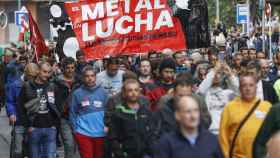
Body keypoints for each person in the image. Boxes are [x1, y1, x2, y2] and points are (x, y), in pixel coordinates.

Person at [219, 73, 272, 158]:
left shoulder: (267, 107)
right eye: (244, 85)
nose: (248, 88)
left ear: (256, 87)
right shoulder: (229, 108)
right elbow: (223, 137)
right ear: (240, 88)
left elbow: (273, 135)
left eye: (251, 85)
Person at [154, 96, 223, 158]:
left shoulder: (212, 140)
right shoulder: (166, 143)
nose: (193, 116)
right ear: (177, 115)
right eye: (188, 112)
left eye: (196, 111)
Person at [18, 62, 60, 158]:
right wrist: (28, 125)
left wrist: (55, 125)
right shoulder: (27, 86)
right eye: (44, 71)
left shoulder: (52, 86)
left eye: (49, 72)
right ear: (38, 71)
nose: (47, 74)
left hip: (50, 128)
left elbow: (58, 106)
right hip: (34, 128)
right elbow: (20, 107)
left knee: (50, 156)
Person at [108, 79, 156, 158]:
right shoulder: (118, 113)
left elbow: (152, 134)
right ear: (124, 93)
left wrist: (151, 152)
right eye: (130, 90)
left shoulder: (146, 111)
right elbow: (113, 138)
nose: (133, 93)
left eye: (136, 90)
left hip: (145, 155)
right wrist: (121, 154)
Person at [155, 72, 211, 138]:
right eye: (180, 96)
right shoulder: (164, 109)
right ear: (173, 93)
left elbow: (206, 123)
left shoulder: (198, 104)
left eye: (187, 96)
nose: (184, 99)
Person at [69, 66, 108, 158]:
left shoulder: (103, 92)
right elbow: (72, 113)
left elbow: (109, 112)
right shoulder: (77, 93)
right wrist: (75, 130)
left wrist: (107, 127)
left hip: (100, 133)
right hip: (83, 133)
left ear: (95, 77)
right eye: (87, 76)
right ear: (83, 78)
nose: (90, 78)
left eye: (92, 76)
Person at [6, 63, 39, 158]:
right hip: (19, 120)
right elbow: (9, 101)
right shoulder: (14, 85)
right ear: (25, 73)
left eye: (35, 76)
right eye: (31, 76)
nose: (33, 79)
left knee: (32, 148)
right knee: (17, 150)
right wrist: (11, 113)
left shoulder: (36, 84)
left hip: (33, 121)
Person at [197, 62, 238, 134]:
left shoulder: (228, 93)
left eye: (219, 73)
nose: (216, 75)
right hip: (209, 132)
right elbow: (201, 91)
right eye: (213, 74)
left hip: (226, 132)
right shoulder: (204, 94)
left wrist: (230, 75)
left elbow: (240, 92)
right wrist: (214, 70)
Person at [53, 57, 80, 158]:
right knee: (68, 143)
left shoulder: (79, 81)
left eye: (72, 67)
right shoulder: (56, 82)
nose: (70, 70)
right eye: (68, 68)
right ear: (63, 68)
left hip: (77, 117)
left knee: (75, 145)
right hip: (64, 118)